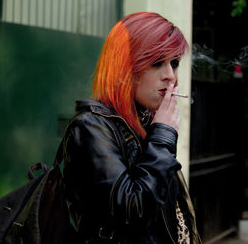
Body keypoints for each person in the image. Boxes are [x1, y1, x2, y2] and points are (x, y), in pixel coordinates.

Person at [60, 12, 201, 244]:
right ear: (125, 68)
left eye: (174, 63)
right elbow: (131, 213)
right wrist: (162, 137)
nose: (170, 76)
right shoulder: (90, 128)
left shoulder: (148, 125)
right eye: (157, 63)